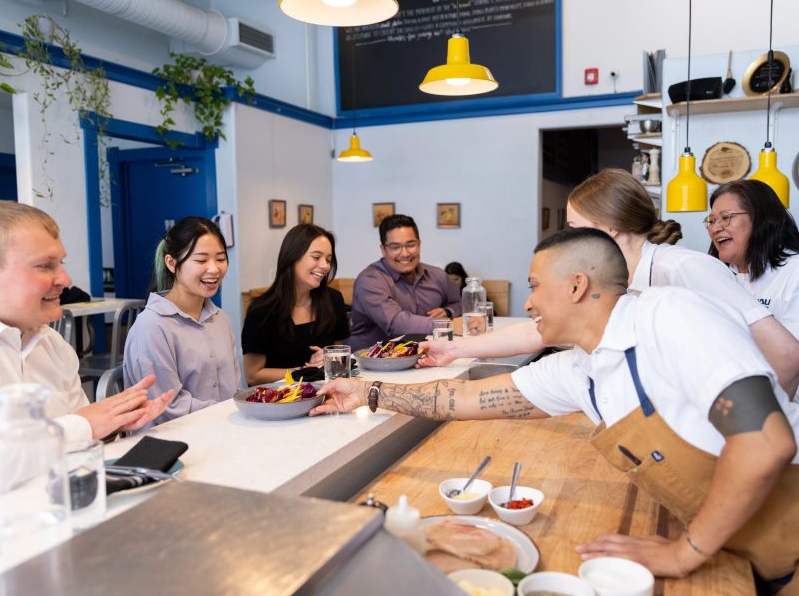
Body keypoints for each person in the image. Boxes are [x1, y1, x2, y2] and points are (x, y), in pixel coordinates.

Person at [313, 228, 799, 590]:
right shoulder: (577, 368)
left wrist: (684, 552)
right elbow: (461, 398)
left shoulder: (670, 315)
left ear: (575, 286)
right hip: (737, 546)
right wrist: (369, 392)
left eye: (534, 286)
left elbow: (764, 443)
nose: (527, 304)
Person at [419, 169, 799, 396]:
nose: (568, 241)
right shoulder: (614, 281)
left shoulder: (684, 269)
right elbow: (541, 333)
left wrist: (759, 441)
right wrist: (457, 349)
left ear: (610, 228)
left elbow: (785, 356)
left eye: (575, 229)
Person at [0, 202, 173, 442]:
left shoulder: (53, 345)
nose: (65, 279)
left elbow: (82, 442)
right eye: (44, 266)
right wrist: (87, 425)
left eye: (61, 263)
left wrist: (111, 424)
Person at [123, 217, 240, 424]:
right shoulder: (152, 326)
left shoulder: (221, 319)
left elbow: (233, 387)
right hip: (172, 443)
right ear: (171, 263)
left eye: (220, 259)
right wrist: (228, 412)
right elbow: (169, 406)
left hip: (224, 429)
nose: (214, 269)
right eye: (201, 260)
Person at [241, 224, 349, 385]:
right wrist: (306, 372)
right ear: (292, 257)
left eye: (328, 259)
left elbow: (338, 356)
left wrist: (328, 359)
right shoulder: (262, 310)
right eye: (316, 257)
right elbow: (253, 375)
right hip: (279, 400)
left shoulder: (334, 300)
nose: (325, 265)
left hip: (325, 394)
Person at [348, 214, 462, 350]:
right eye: (395, 247)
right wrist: (447, 325)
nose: (405, 253)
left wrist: (448, 312)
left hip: (421, 357)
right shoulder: (369, 280)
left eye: (410, 244)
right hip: (369, 363)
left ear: (419, 245)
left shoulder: (437, 275)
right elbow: (395, 323)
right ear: (383, 250)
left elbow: (459, 303)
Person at [707, 179, 799, 342]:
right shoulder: (716, 275)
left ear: (760, 219)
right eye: (712, 220)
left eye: (726, 217)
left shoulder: (794, 271)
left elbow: (792, 356)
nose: (714, 228)